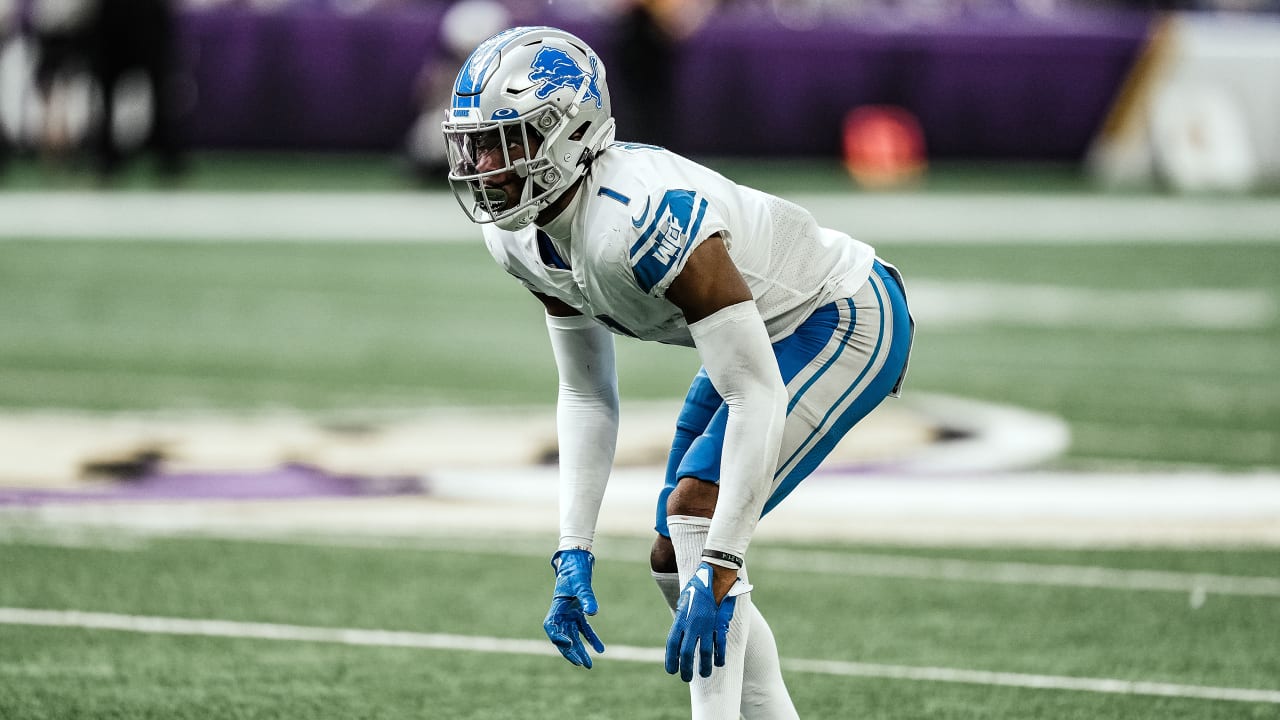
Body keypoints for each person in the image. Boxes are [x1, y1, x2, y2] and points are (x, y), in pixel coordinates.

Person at [441, 26, 913, 719]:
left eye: (503, 140)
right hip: (769, 335)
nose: (484, 162)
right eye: (476, 141)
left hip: (843, 314)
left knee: (701, 520)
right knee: (675, 558)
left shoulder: (644, 216)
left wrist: (724, 560)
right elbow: (585, 391)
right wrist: (574, 546)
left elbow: (754, 391)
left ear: (567, 134)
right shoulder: (518, 234)